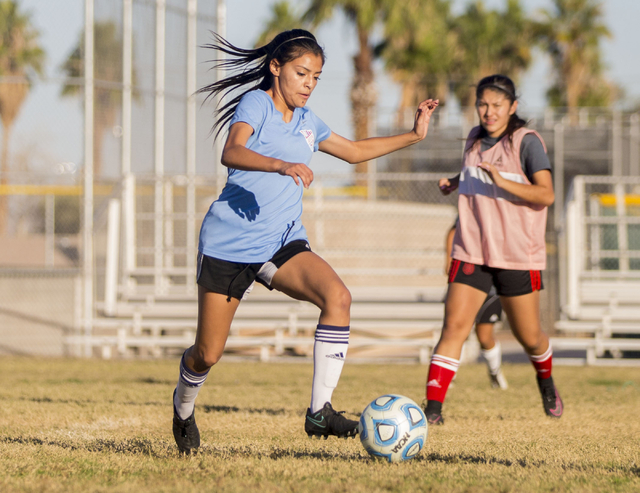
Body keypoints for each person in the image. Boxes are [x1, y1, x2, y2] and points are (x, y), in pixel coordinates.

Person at [171, 29, 439, 453]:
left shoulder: (309, 121)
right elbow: (232, 151)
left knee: (338, 297)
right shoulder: (256, 104)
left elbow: (352, 151)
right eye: (301, 73)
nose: (308, 83)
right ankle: (183, 411)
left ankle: (320, 413)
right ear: (276, 68)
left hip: (281, 241)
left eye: (315, 76)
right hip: (230, 244)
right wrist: (280, 164)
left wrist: (414, 136)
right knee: (208, 354)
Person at [423, 74, 562, 425]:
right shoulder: (472, 139)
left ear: (512, 107)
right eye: (482, 104)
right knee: (453, 327)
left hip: (517, 254)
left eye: (497, 105)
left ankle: (545, 380)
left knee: (528, 336)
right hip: (471, 249)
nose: (488, 112)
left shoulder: (525, 142)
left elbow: (546, 194)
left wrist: (502, 182)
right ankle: (433, 411)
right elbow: (476, 173)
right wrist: (455, 182)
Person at [443, 218, 508, 390]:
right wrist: (449, 258)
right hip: (469, 275)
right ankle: (447, 377)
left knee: (484, 336)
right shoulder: (474, 204)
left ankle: (495, 373)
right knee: (456, 332)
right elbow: (453, 230)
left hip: (493, 280)